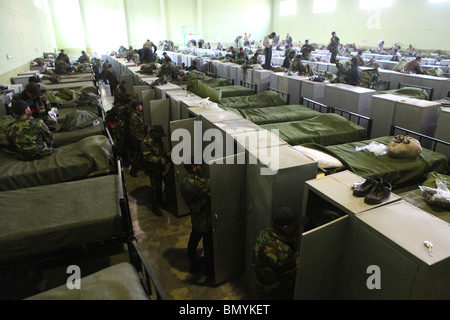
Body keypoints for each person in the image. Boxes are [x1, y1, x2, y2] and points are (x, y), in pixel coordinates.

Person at [252, 207, 299, 300]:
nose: (296, 228)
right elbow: (295, 272)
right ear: (285, 228)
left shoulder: (264, 233)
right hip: (275, 293)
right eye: (294, 225)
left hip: (260, 285)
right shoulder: (284, 253)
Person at [181, 162, 214, 284]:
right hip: (205, 219)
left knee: (193, 240)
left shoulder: (185, 181)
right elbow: (214, 188)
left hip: (196, 217)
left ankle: (193, 262)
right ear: (194, 168)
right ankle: (208, 271)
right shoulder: (198, 184)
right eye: (200, 165)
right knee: (208, 247)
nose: (203, 167)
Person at [141, 125, 171, 217]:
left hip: (159, 167)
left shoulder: (157, 139)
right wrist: (159, 160)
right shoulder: (146, 142)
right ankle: (155, 207)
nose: (161, 136)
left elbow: (163, 148)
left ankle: (160, 201)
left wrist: (169, 155)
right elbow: (147, 157)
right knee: (155, 187)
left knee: (159, 185)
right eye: (160, 134)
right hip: (152, 168)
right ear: (155, 133)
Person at [128, 101, 149, 177]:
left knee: (140, 154)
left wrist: (146, 126)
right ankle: (133, 170)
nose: (141, 106)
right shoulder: (134, 117)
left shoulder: (139, 114)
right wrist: (141, 140)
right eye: (139, 105)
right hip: (137, 139)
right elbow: (134, 130)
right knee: (137, 155)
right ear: (136, 107)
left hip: (140, 137)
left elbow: (141, 124)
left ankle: (141, 167)